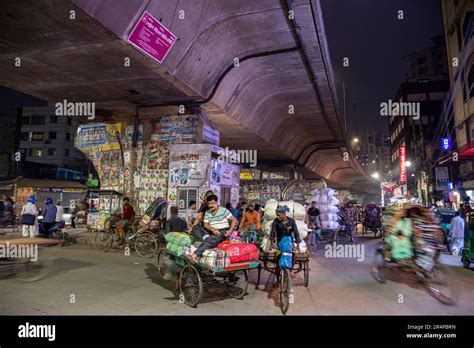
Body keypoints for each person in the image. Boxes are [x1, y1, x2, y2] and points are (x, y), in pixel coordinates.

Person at [190, 194, 238, 261]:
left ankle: (196, 254)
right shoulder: (207, 212)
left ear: (216, 202)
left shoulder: (223, 210)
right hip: (212, 231)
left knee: (215, 237)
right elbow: (206, 225)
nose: (210, 205)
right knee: (196, 227)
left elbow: (234, 220)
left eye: (212, 203)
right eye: (209, 204)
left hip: (222, 231)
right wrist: (212, 229)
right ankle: (203, 243)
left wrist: (229, 231)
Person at [270, 205, 301, 285]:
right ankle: (277, 280)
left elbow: (296, 233)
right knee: (278, 260)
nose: (278, 216)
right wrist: (272, 243)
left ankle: (291, 270)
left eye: (279, 214)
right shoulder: (276, 221)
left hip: (289, 242)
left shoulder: (291, 221)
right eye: (277, 215)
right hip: (280, 242)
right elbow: (273, 232)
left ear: (284, 214)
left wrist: (297, 245)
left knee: (294, 255)